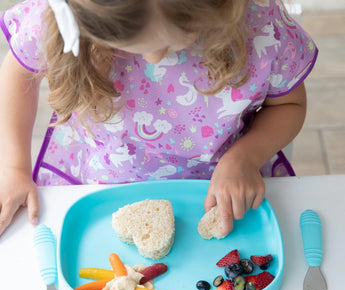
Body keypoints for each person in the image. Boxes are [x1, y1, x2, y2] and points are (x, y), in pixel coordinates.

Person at [0, 0, 318, 237]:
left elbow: (289, 106)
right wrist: (14, 167)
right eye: (132, 48)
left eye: (172, 42)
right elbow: (17, 74)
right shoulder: (57, 15)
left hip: (224, 188)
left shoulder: (261, 27)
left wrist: (246, 157)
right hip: (103, 186)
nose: (155, 58)